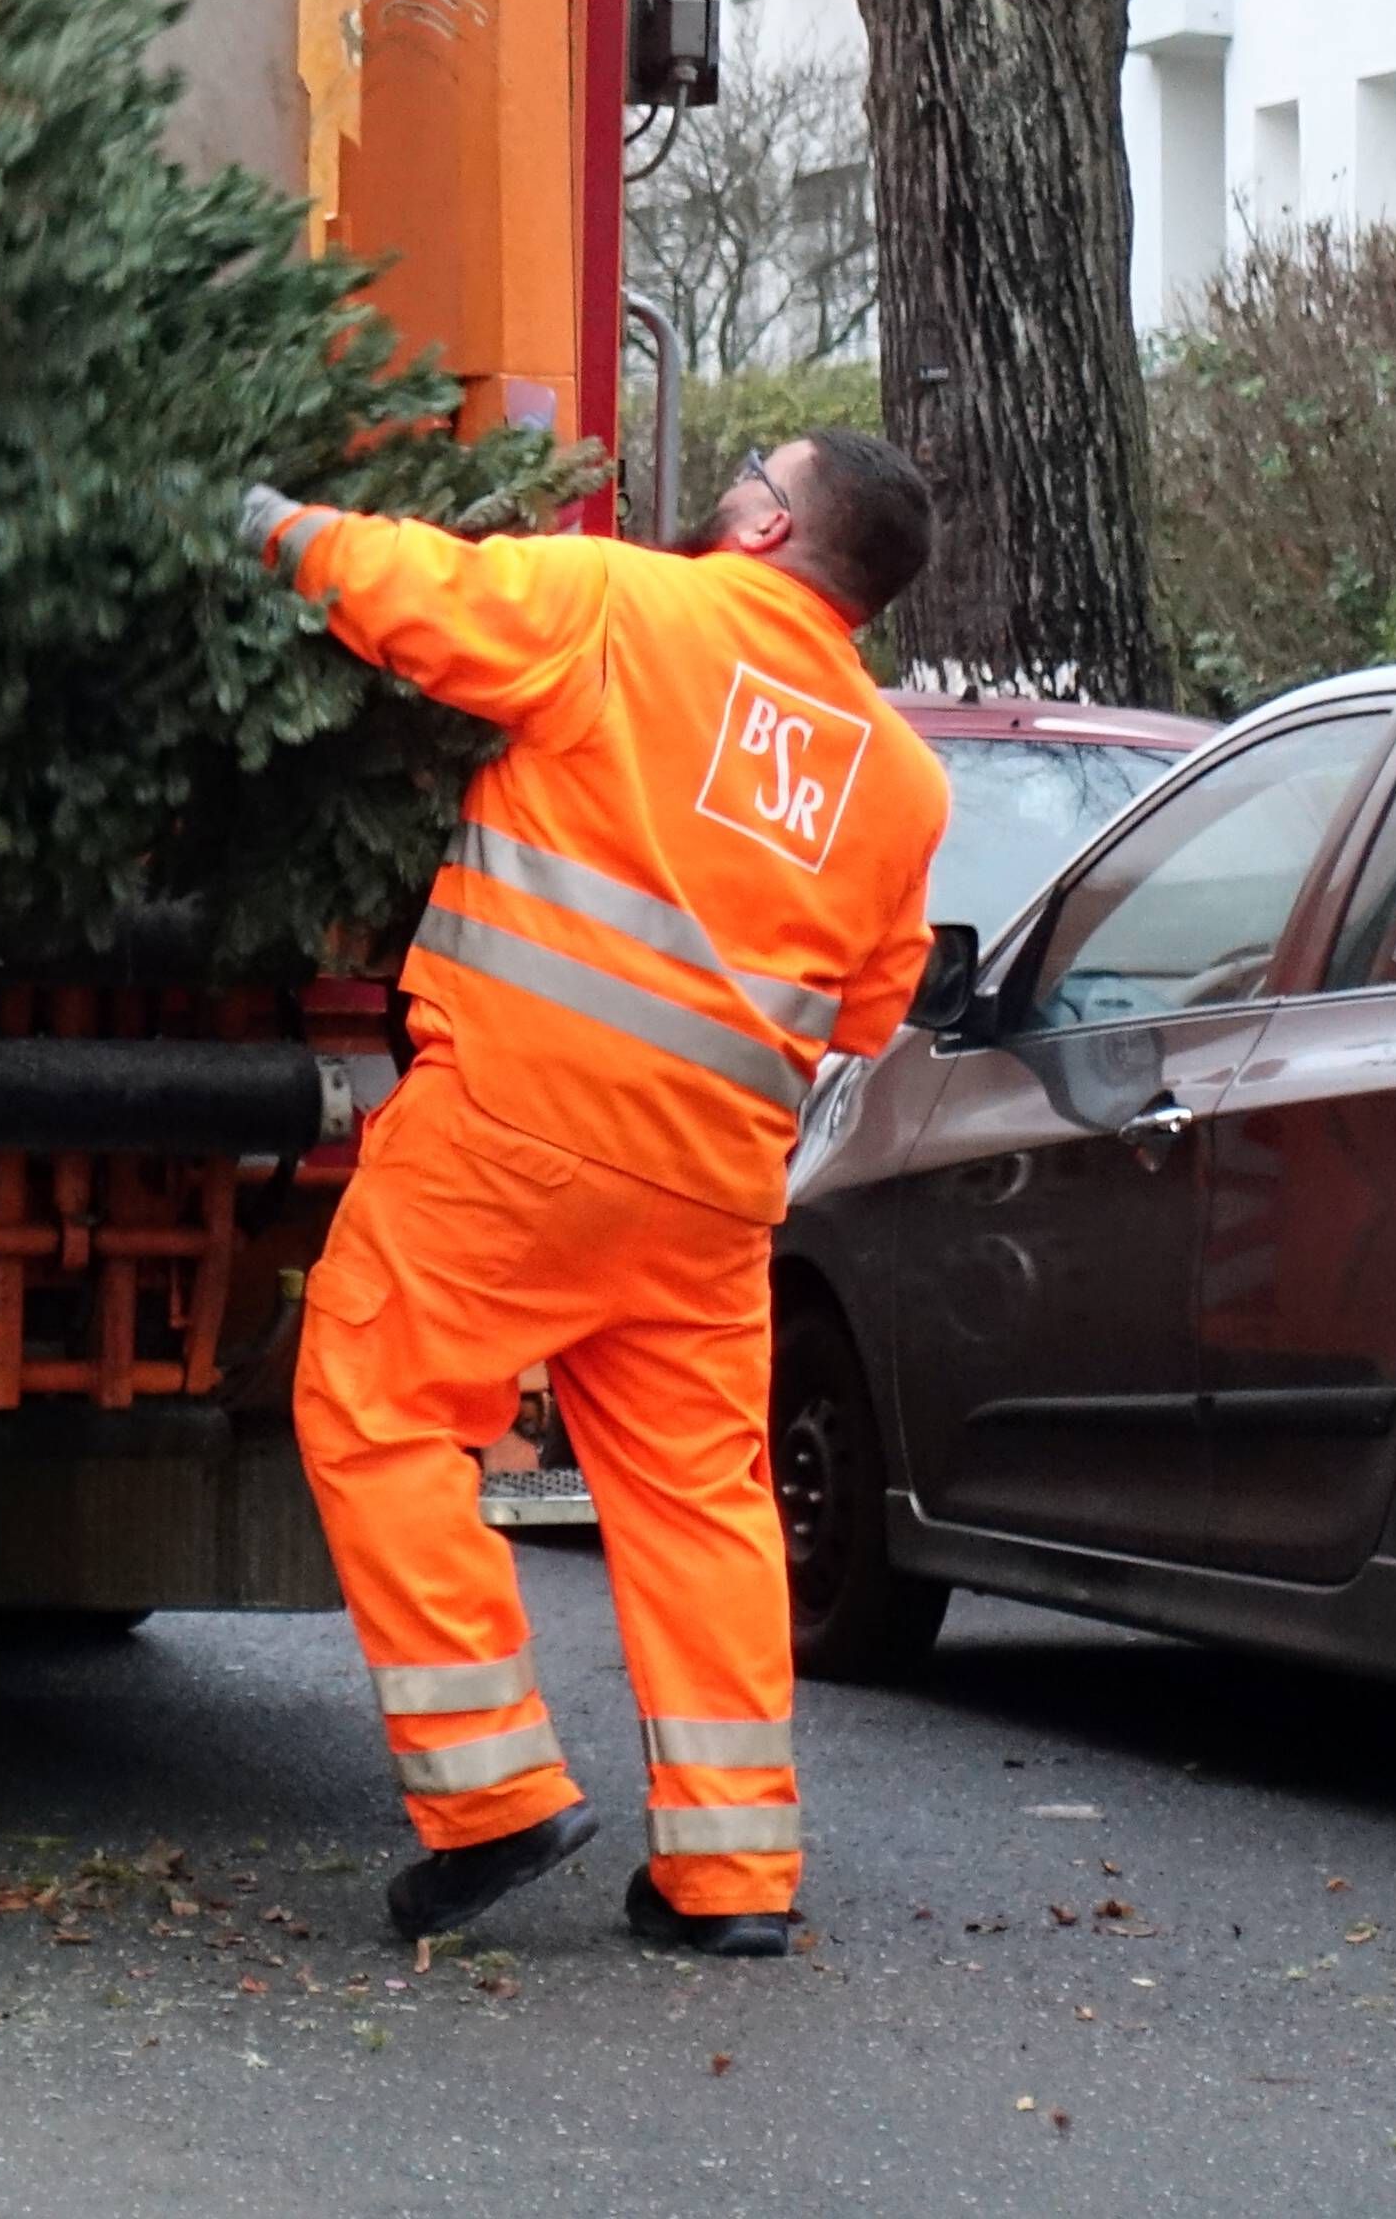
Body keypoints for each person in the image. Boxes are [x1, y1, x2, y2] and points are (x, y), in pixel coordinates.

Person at [241, 430, 948, 1960]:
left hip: (516, 1130)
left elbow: (427, 595)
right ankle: (730, 1876)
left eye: (754, 472)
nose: (736, 488)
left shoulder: (628, 608)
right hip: (707, 1192)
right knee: (700, 1505)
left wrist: (280, 528)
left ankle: (490, 1794)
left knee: (372, 1405)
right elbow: (867, 1013)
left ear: (767, 527)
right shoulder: (899, 782)